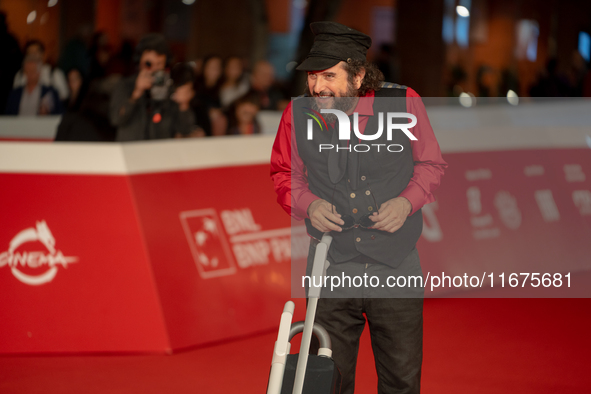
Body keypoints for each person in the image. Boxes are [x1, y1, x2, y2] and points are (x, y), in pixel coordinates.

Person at [270, 22, 447, 394]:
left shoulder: (402, 102)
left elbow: (431, 165)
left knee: (401, 382)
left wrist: (406, 202)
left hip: (396, 268)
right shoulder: (298, 115)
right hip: (331, 265)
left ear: (359, 74)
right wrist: (308, 204)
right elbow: (284, 174)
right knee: (327, 383)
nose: (318, 87)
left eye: (329, 76)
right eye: (313, 77)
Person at [109, 34, 195, 141]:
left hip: (159, 152)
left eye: (159, 64)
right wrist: (136, 94)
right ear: (139, 61)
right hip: (130, 151)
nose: (154, 69)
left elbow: (184, 129)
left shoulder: (169, 88)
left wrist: (184, 104)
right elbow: (116, 119)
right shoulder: (125, 85)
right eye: (149, 64)